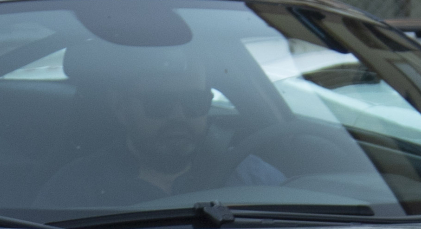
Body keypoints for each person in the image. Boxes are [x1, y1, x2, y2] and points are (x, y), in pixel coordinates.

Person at [34, 40, 285, 210]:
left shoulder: (250, 175)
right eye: (159, 104)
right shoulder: (75, 190)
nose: (178, 116)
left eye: (193, 102)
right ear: (121, 108)